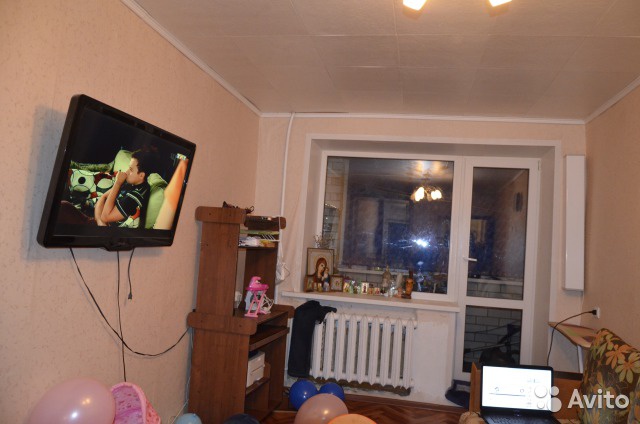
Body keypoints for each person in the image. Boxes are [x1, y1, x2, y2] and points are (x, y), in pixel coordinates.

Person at [93, 149, 155, 228]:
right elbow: (103, 196)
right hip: (100, 220)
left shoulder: (135, 197)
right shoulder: (130, 183)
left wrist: (117, 183)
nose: (126, 172)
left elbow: (105, 218)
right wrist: (99, 221)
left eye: (131, 169)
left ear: (141, 175)